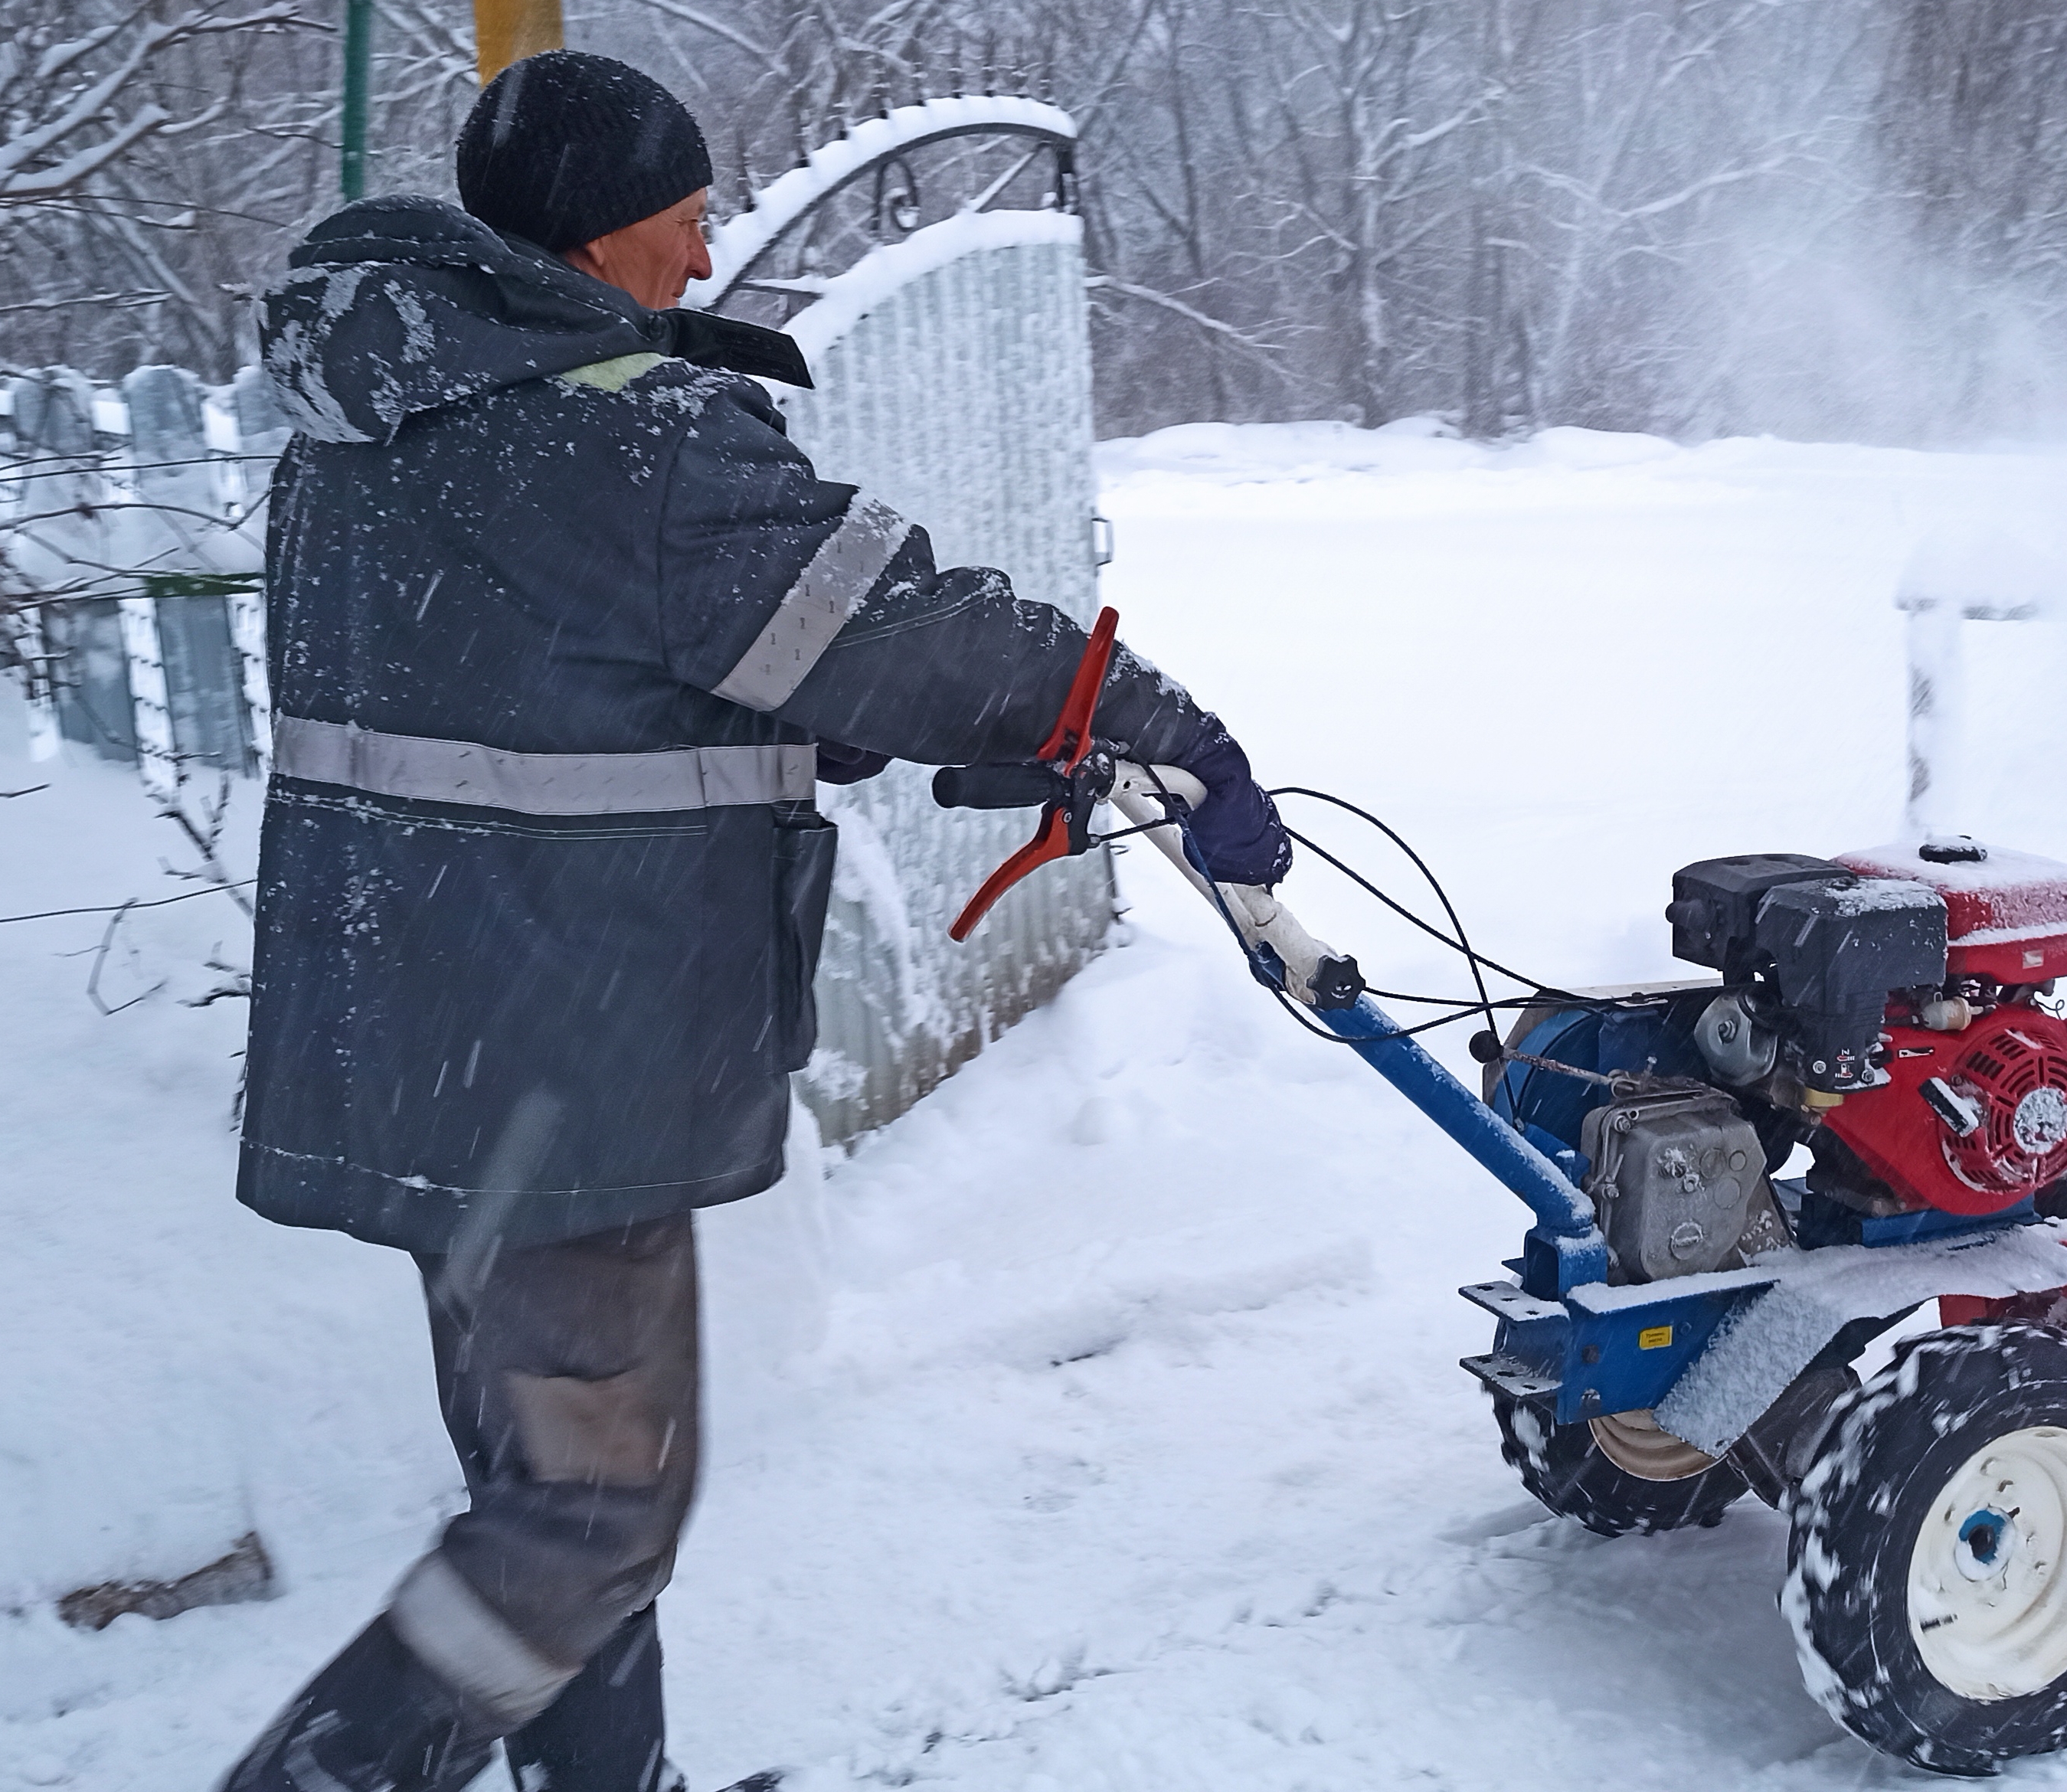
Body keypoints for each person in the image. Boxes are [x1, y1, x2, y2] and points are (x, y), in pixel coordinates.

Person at [220, 51, 1288, 1792]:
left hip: (421, 1041)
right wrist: (1146, 722)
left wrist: (781, 712)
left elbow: (537, 677)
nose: (705, 265)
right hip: (553, 1065)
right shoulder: (620, 436)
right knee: (589, 1515)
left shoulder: (370, 430)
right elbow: (912, 632)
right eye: (688, 225)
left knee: (555, 1491)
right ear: (598, 236)